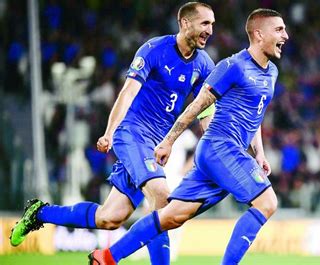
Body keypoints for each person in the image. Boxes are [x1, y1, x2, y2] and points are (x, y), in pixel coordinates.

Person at [10, 2, 216, 265]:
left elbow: (203, 110)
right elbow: (127, 92)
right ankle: (112, 259)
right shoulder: (154, 49)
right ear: (185, 23)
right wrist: (109, 132)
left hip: (154, 145)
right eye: (205, 23)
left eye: (212, 25)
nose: (210, 30)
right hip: (132, 135)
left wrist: (210, 144)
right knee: (162, 199)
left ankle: (39, 214)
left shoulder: (205, 64)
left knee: (109, 217)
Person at [88, 8, 289, 265]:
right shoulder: (232, 66)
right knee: (267, 202)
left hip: (230, 151)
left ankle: (105, 257)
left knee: (170, 216)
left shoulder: (271, 72)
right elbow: (197, 106)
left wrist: (259, 152)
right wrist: (169, 141)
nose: (286, 35)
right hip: (220, 147)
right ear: (259, 34)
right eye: (279, 29)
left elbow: (255, 115)